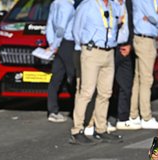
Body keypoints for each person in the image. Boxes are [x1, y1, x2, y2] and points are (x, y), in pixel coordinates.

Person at [70, 0, 123, 144]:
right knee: (86, 92)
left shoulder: (113, 6)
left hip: (109, 52)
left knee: (105, 93)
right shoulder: (87, 5)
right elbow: (76, 29)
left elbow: (119, 23)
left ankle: (101, 128)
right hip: (91, 51)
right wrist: (83, 46)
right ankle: (77, 130)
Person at [128, 0, 158, 130]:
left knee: (139, 79)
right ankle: (146, 116)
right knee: (146, 79)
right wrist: (157, 15)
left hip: (148, 39)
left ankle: (134, 115)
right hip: (144, 39)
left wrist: (157, 15)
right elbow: (156, 18)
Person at [46, 0, 76, 124]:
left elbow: (49, 25)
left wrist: (51, 43)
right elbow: (61, 28)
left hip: (58, 44)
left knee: (56, 78)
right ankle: (79, 110)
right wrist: (55, 45)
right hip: (67, 43)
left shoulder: (55, 3)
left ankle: (52, 111)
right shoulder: (67, 6)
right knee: (73, 76)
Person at [114, 0, 137, 130]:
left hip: (126, 47)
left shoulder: (128, 3)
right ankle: (101, 120)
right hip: (111, 48)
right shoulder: (110, 4)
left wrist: (130, 44)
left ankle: (122, 118)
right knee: (106, 87)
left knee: (126, 84)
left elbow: (132, 24)